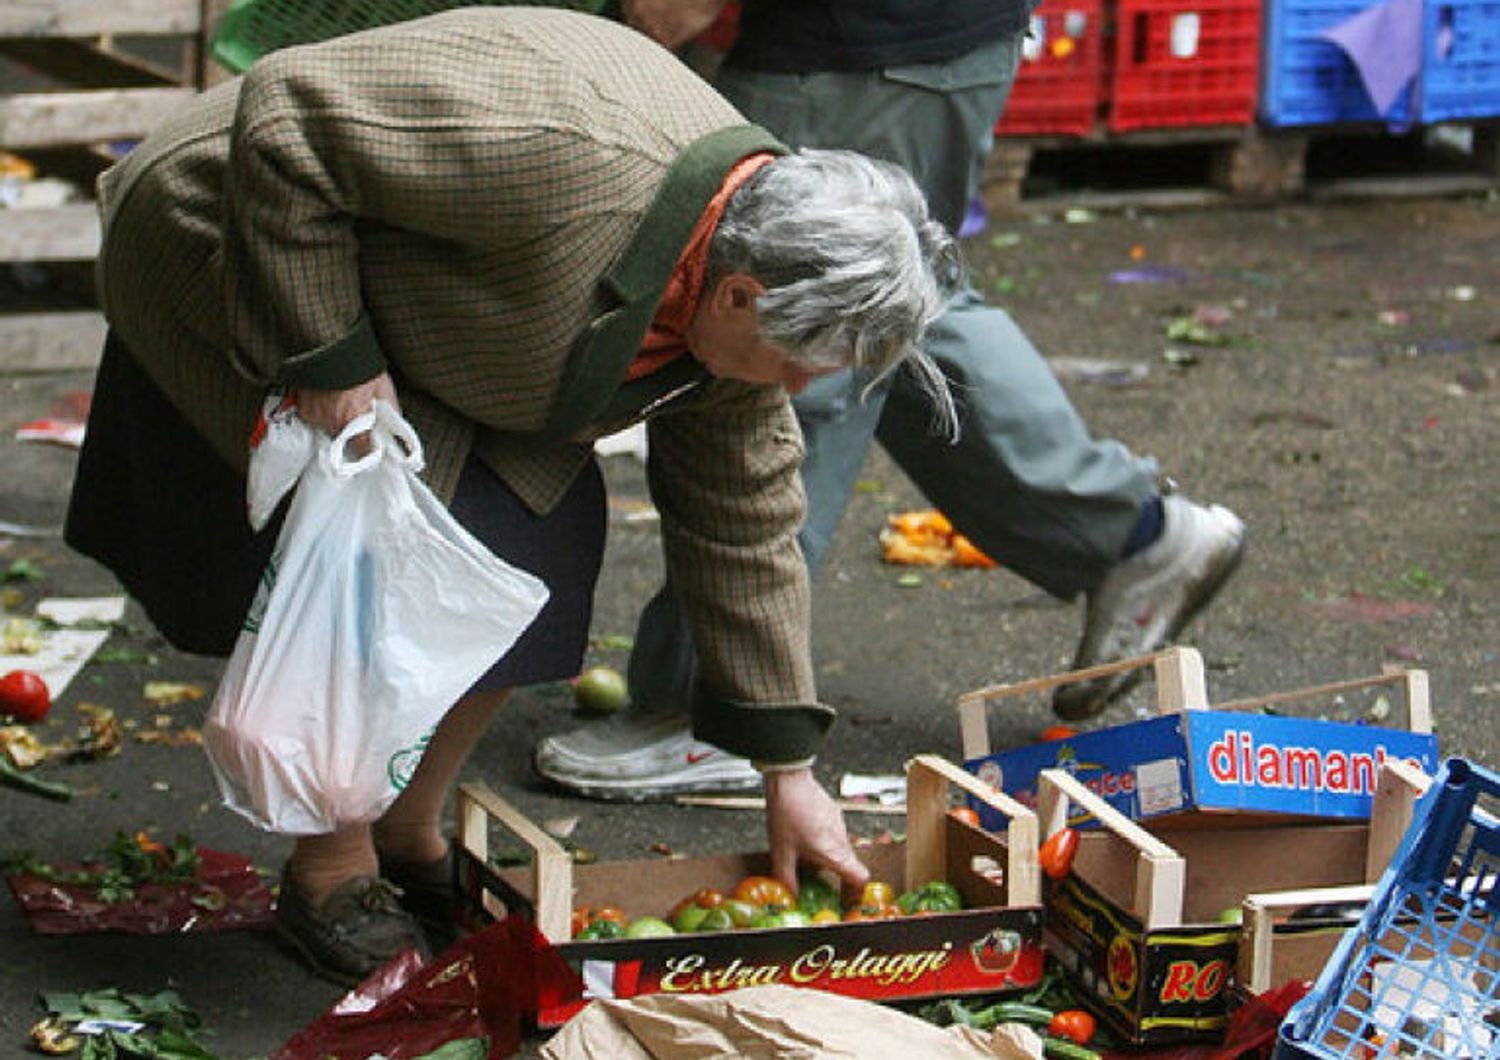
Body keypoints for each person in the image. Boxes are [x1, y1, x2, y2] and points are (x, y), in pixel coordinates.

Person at [63, 6, 962, 984]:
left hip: (441, 305)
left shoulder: (742, 288)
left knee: (543, 543)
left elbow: (746, 525)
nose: (797, 390)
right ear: (738, 295)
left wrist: (787, 773)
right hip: (236, 228)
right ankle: (332, 868)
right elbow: (284, 117)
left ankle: (409, 824)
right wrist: (330, 354)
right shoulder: (562, 157)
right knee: (400, 542)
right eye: (799, 362)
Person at [533, 0, 1247, 800]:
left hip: (862, 44)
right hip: (920, 40)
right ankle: (1127, 533)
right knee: (881, 300)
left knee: (783, 334)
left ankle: (717, 712)